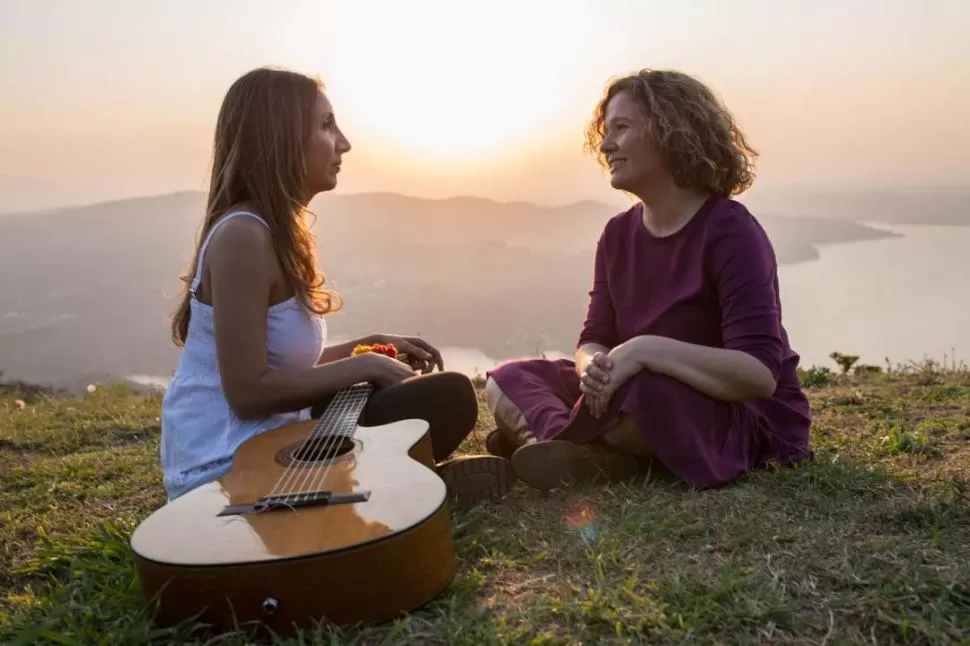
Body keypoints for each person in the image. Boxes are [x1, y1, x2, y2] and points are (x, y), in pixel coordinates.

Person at [160, 67, 515, 508]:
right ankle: (402, 488)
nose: (343, 143)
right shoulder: (242, 238)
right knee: (439, 396)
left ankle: (392, 487)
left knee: (446, 397)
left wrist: (365, 349)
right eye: (326, 126)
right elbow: (248, 393)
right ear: (281, 138)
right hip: (225, 464)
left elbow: (283, 363)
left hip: (280, 433)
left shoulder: (274, 232)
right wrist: (363, 369)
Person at [484, 69, 813, 492]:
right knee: (510, 377)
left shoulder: (731, 232)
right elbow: (594, 337)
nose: (605, 146)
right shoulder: (617, 235)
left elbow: (758, 375)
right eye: (605, 132)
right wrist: (593, 370)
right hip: (626, 391)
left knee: (647, 394)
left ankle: (558, 443)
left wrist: (644, 351)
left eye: (621, 128)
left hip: (733, 412)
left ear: (671, 131)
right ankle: (580, 454)